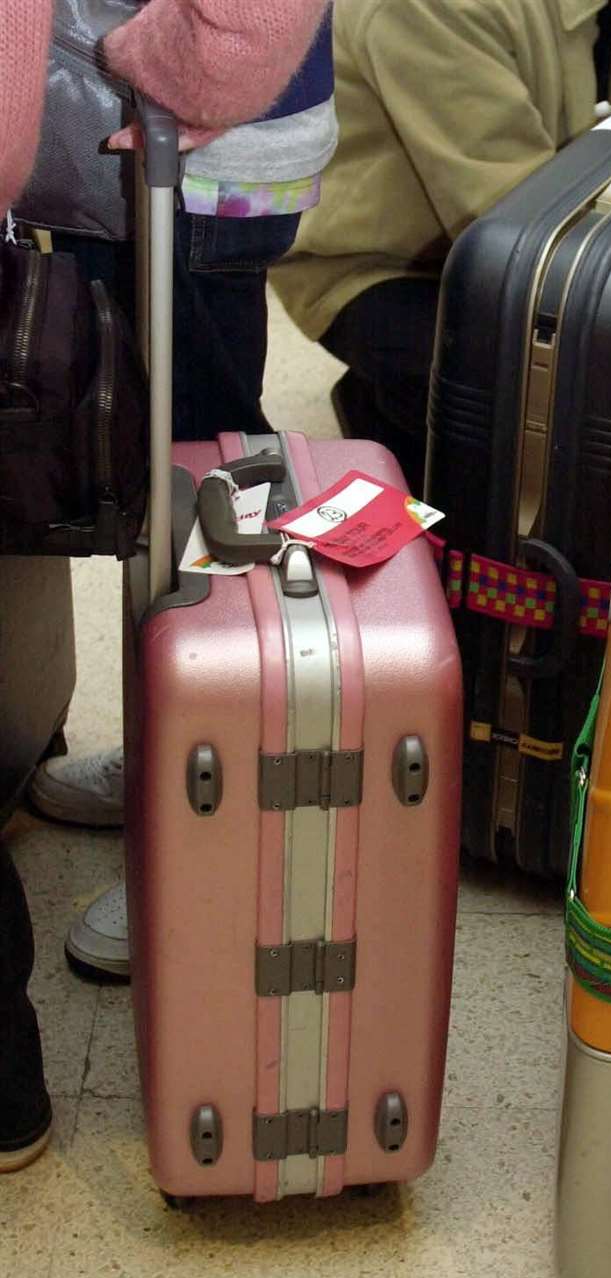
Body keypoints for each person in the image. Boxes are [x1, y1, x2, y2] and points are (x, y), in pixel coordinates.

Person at [0, 0, 334, 1168]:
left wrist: (146, 63)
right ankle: (168, 771)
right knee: (177, 496)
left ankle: (197, 836)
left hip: (186, 150)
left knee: (201, 503)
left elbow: (245, 24)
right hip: (154, 155)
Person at [271, 0, 611, 498]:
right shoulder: (435, 7)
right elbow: (513, 218)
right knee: (557, 404)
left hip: (512, 236)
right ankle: (396, 408)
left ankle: (392, 406)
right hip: (375, 264)